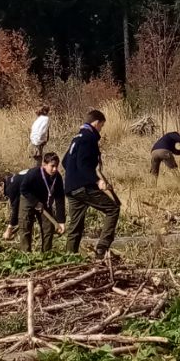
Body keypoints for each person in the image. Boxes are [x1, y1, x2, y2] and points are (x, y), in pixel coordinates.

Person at [62, 110, 119, 256]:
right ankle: (102, 247)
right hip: (83, 186)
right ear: (97, 122)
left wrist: (72, 177)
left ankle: (70, 257)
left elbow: (65, 161)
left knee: (75, 225)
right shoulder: (89, 138)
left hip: (70, 187)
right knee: (113, 209)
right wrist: (97, 181)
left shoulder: (76, 138)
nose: (101, 129)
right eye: (102, 126)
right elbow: (83, 165)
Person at [17, 154, 65, 252]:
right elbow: (23, 189)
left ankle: (46, 254)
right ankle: (25, 255)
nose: (55, 169)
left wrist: (61, 221)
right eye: (52, 166)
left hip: (44, 201)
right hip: (28, 198)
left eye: (56, 166)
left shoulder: (58, 178)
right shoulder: (33, 173)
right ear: (44, 164)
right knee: (26, 226)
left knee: (48, 228)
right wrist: (35, 202)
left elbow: (60, 199)